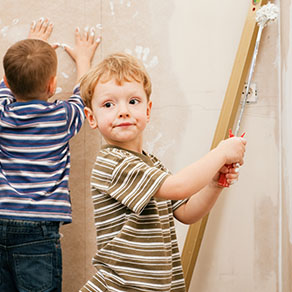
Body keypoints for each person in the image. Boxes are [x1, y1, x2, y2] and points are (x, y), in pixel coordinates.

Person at [79, 52, 247, 292]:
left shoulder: (152, 164)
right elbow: (178, 186)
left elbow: (186, 212)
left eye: (133, 101)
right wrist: (220, 153)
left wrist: (214, 184)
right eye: (108, 104)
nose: (123, 111)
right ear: (91, 117)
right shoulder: (113, 163)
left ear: (147, 110)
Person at [0, 18, 100, 292]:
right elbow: (83, 95)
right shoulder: (61, 118)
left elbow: (4, 87)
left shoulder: (2, 115)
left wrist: (34, 46)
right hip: (39, 231)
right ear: (53, 84)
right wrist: (83, 59)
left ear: (8, 82)